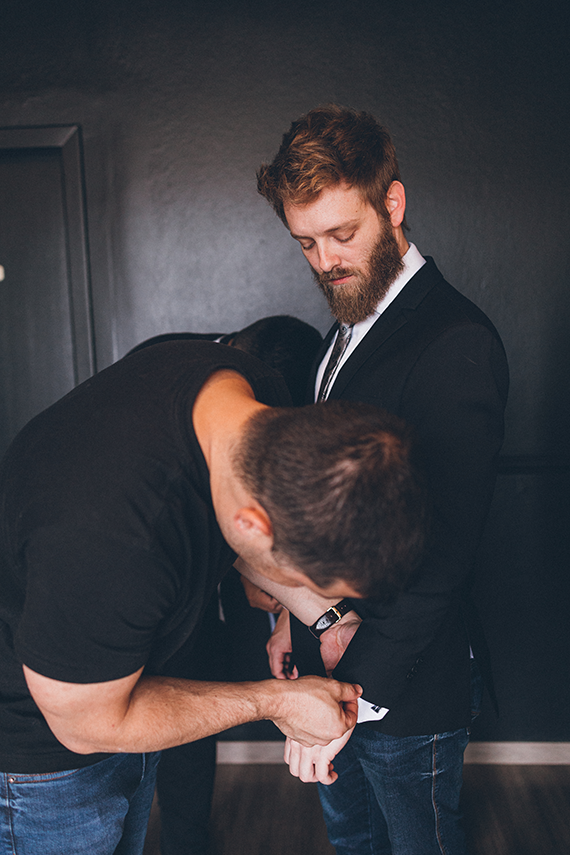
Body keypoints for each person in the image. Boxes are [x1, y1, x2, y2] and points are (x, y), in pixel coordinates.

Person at [0, 336, 427, 855]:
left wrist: (330, 620)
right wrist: (275, 702)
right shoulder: (109, 540)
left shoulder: (245, 391)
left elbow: (225, 524)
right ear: (252, 523)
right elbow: (88, 725)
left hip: (122, 689)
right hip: (42, 764)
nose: (305, 593)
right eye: (312, 582)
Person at [256, 105, 509, 854]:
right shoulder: (344, 329)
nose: (326, 261)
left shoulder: (456, 341)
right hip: (327, 671)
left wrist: (348, 698)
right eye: (306, 242)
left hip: (403, 691)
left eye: (343, 235)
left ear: (391, 204)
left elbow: (444, 555)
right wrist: (288, 616)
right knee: (354, 843)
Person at [128, 315, 324, 855]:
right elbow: (170, 499)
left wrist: (285, 598)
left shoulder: (273, 391)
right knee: (129, 726)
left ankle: (187, 844)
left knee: (191, 709)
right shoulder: (158, 364)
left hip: (204, 589)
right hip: (141, 577)